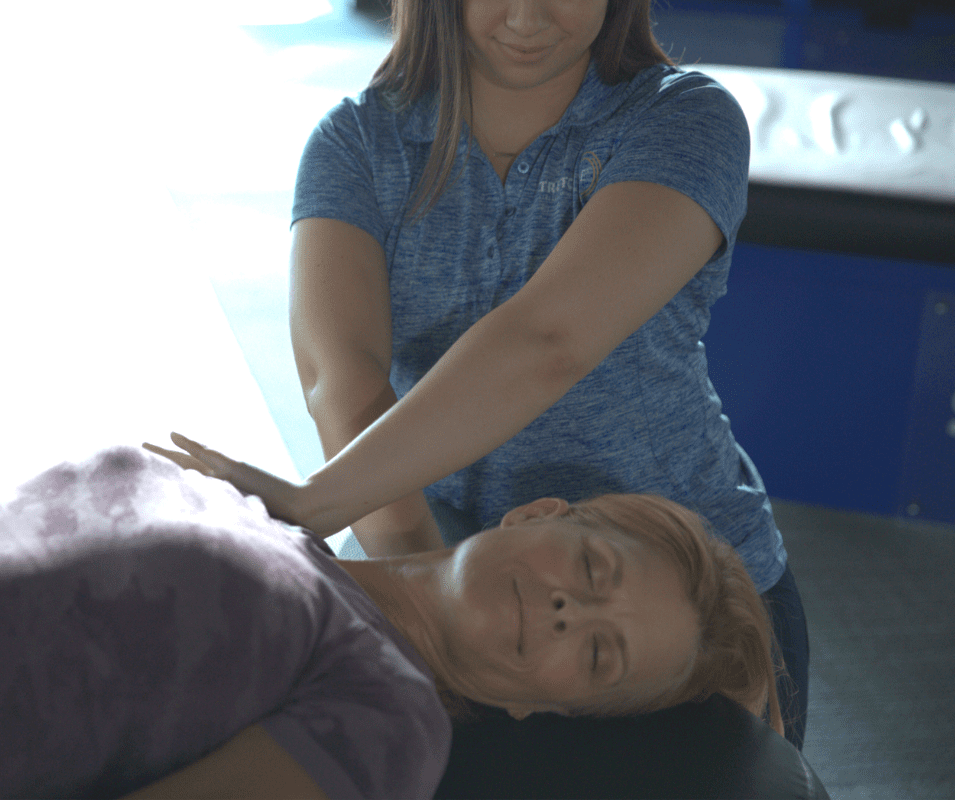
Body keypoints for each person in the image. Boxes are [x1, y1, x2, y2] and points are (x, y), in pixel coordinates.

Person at [276, 0, 812, 747]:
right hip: (483, 598)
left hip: (691, 606)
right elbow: (343, 380)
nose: (528, 11)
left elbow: (548, 340)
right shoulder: (358, 144)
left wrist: (315, 507)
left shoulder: (684, 118)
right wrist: (428, 604)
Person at [0, 444, 781, 798]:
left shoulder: (390, 726)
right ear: (538, 512)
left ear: (540, 707)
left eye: (595, 648)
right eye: (590, 569)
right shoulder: (263, 520)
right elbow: (3, 536)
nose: (563, 608)